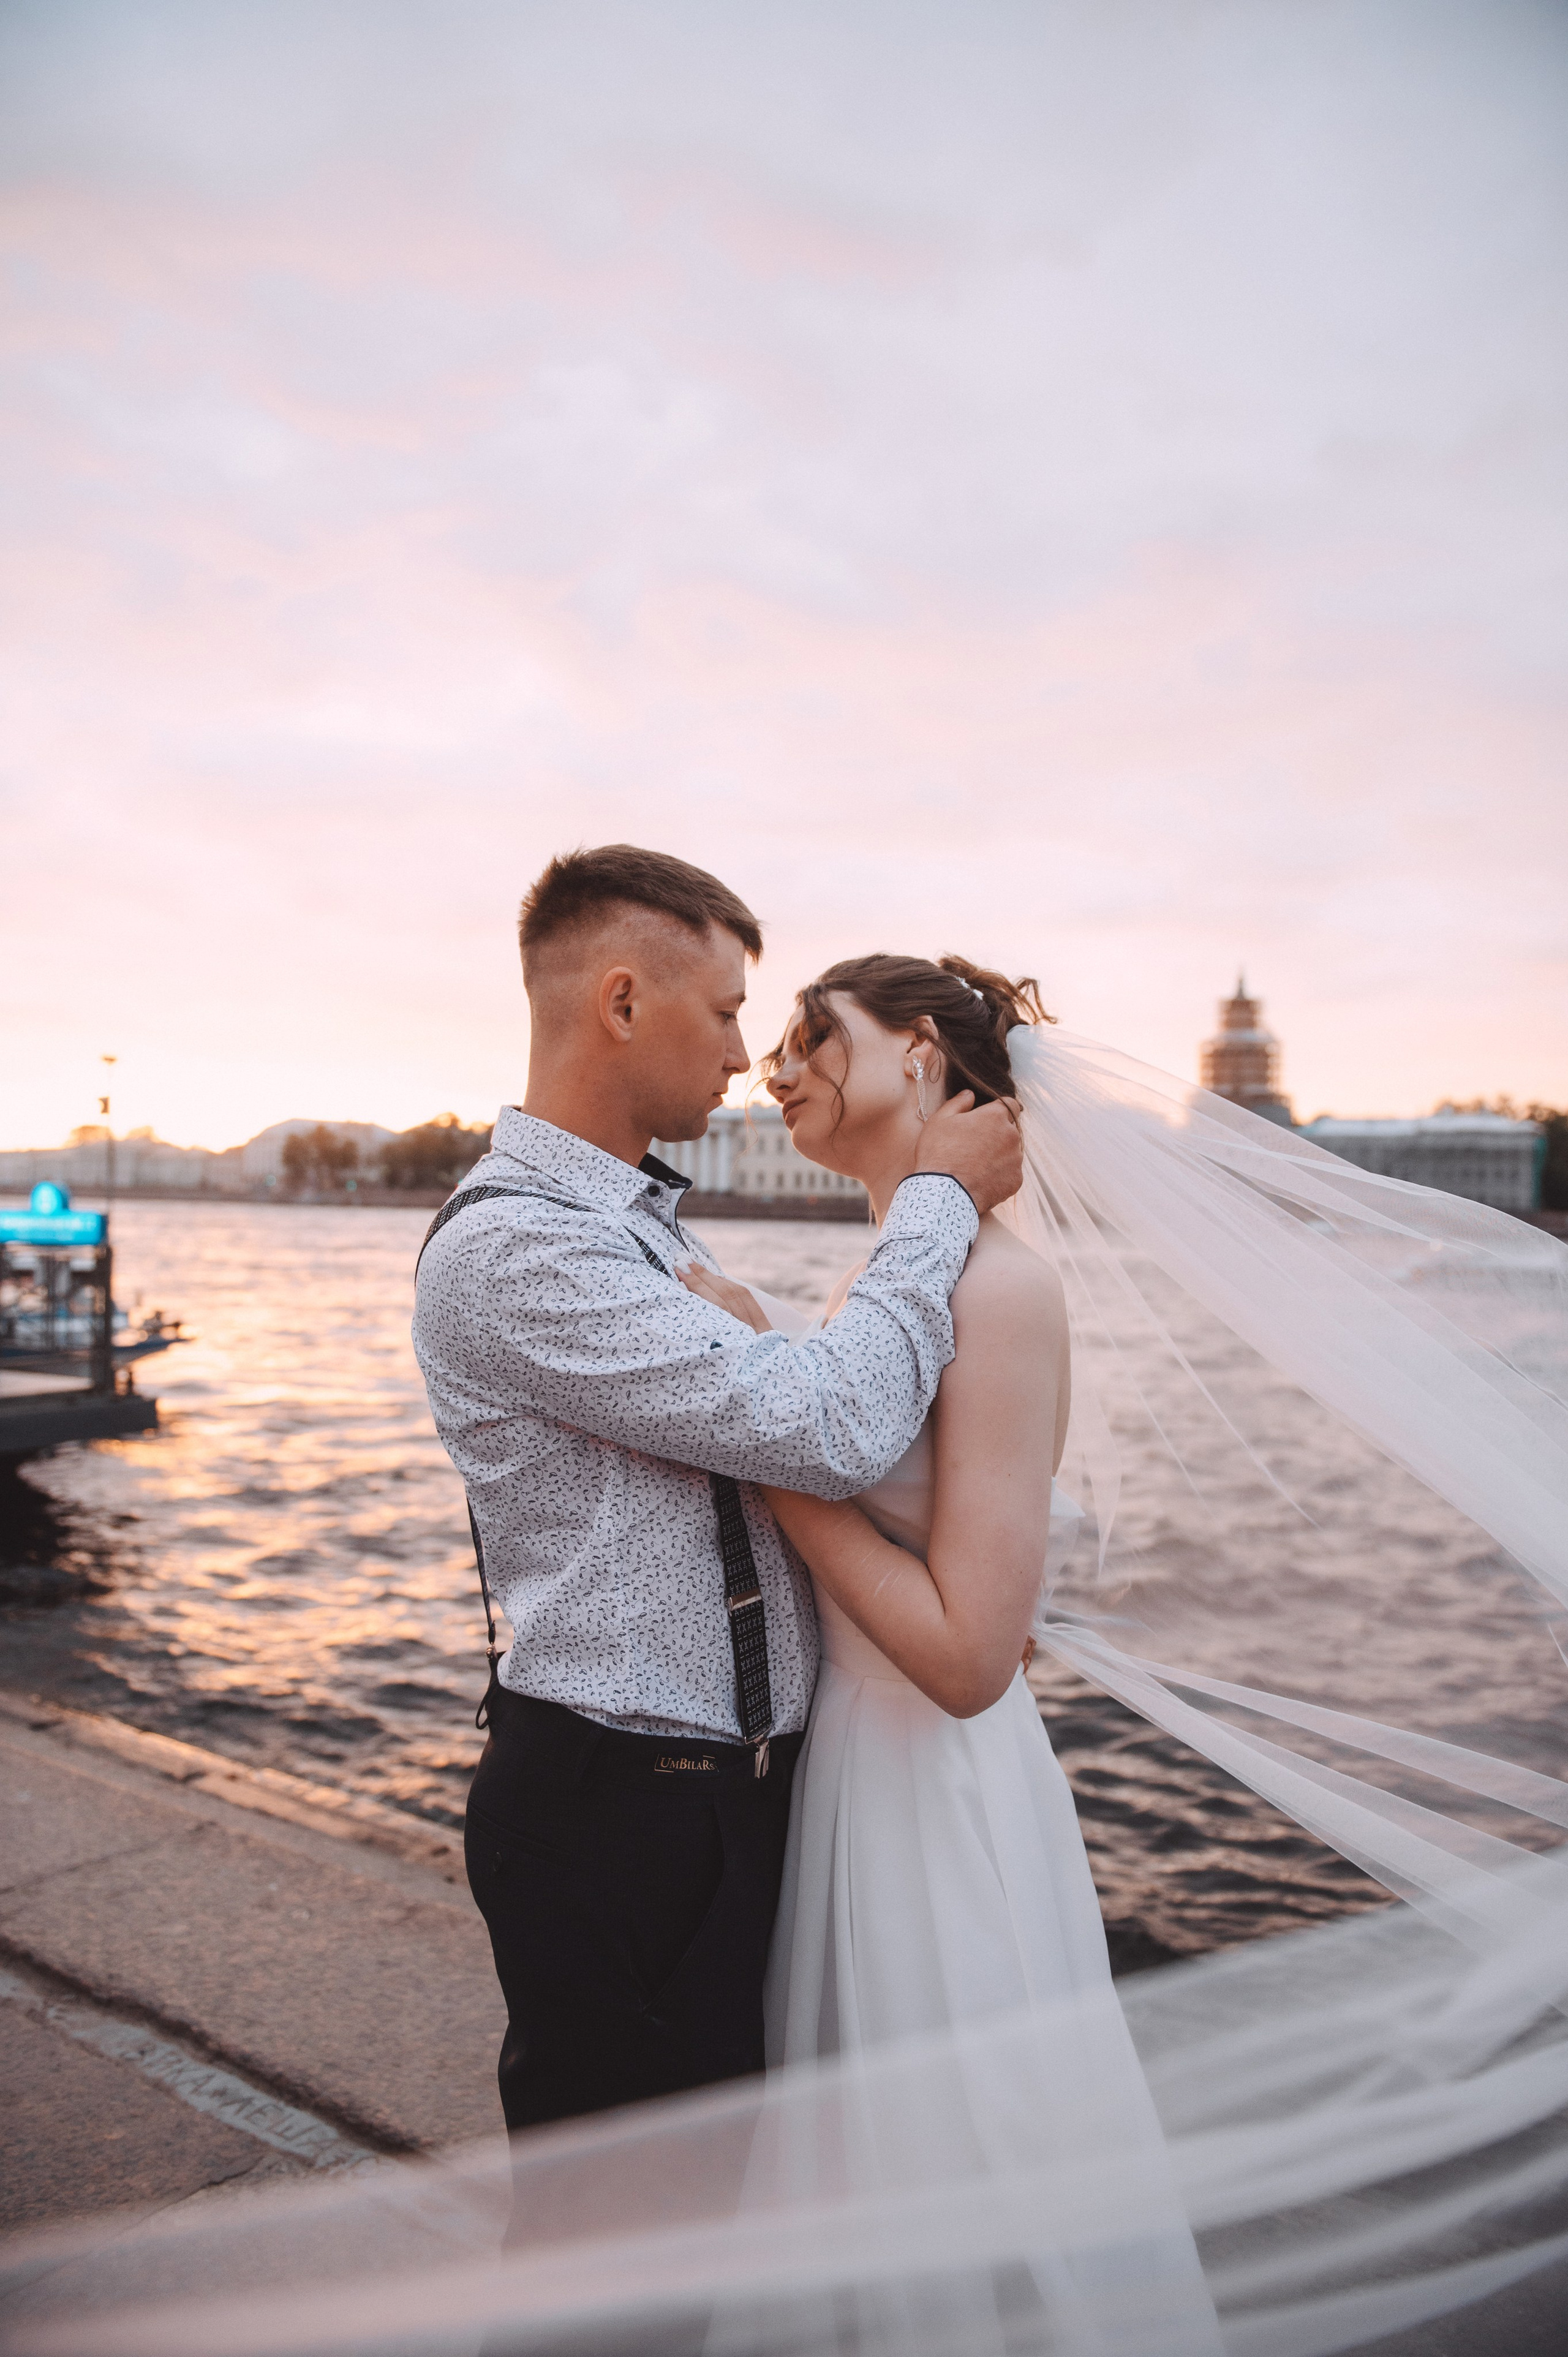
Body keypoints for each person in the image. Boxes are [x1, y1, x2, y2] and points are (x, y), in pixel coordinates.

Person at [412, 847, 1023, 2135]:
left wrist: (959, 1571)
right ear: (622, 1003)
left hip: (718, 1797)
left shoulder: (640, 1227)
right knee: (622, 2266)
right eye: (732, 1010)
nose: (749, 1053)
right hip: (625, 1811)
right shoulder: (518, 1248)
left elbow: (756, 1470)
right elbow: (820, 1427)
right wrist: (934, 1203)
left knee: (714, 2231)